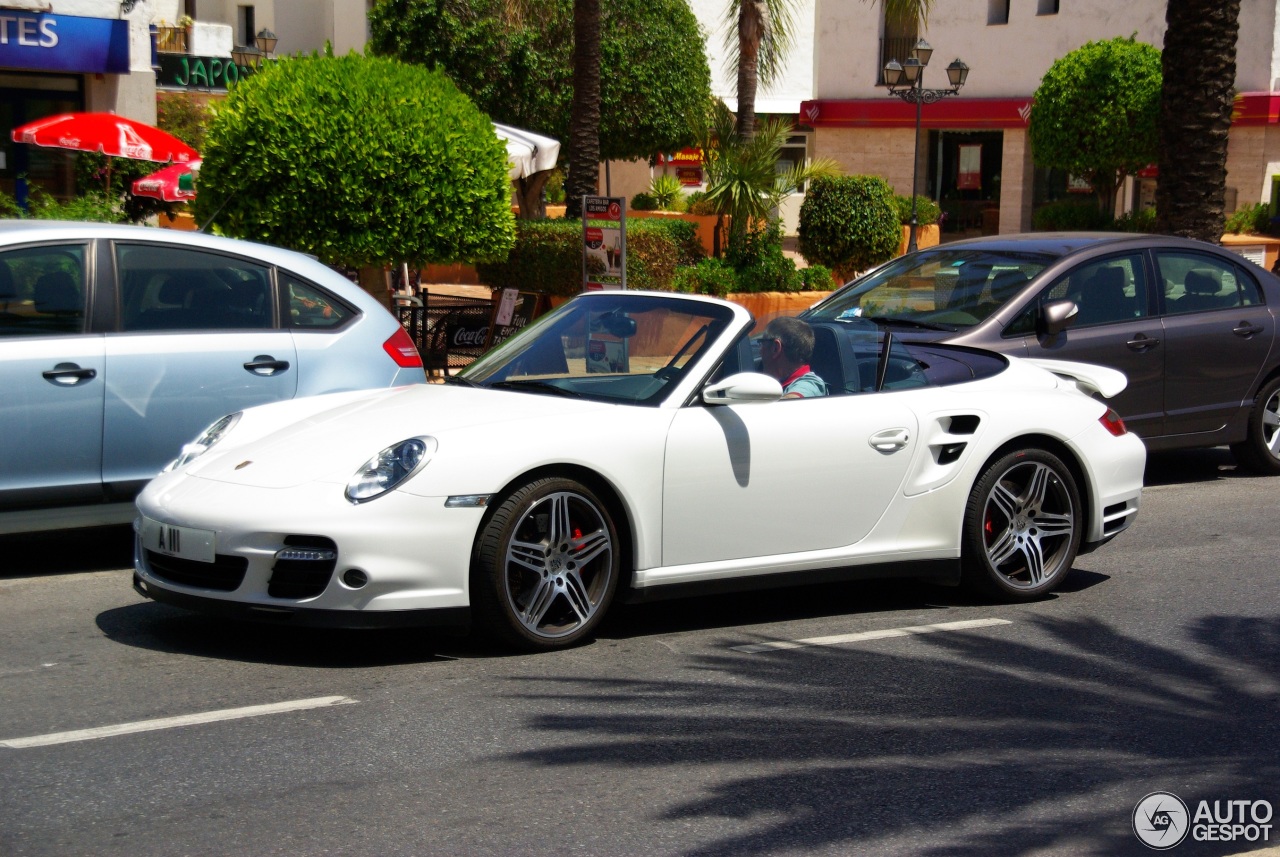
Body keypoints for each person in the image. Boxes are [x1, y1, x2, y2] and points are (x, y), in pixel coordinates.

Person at [759, 316, 827, 399]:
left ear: (775, 348)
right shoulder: (776, 383)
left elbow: (788, 405)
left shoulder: (810, 384)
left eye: (762, 343)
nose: (760, 350)